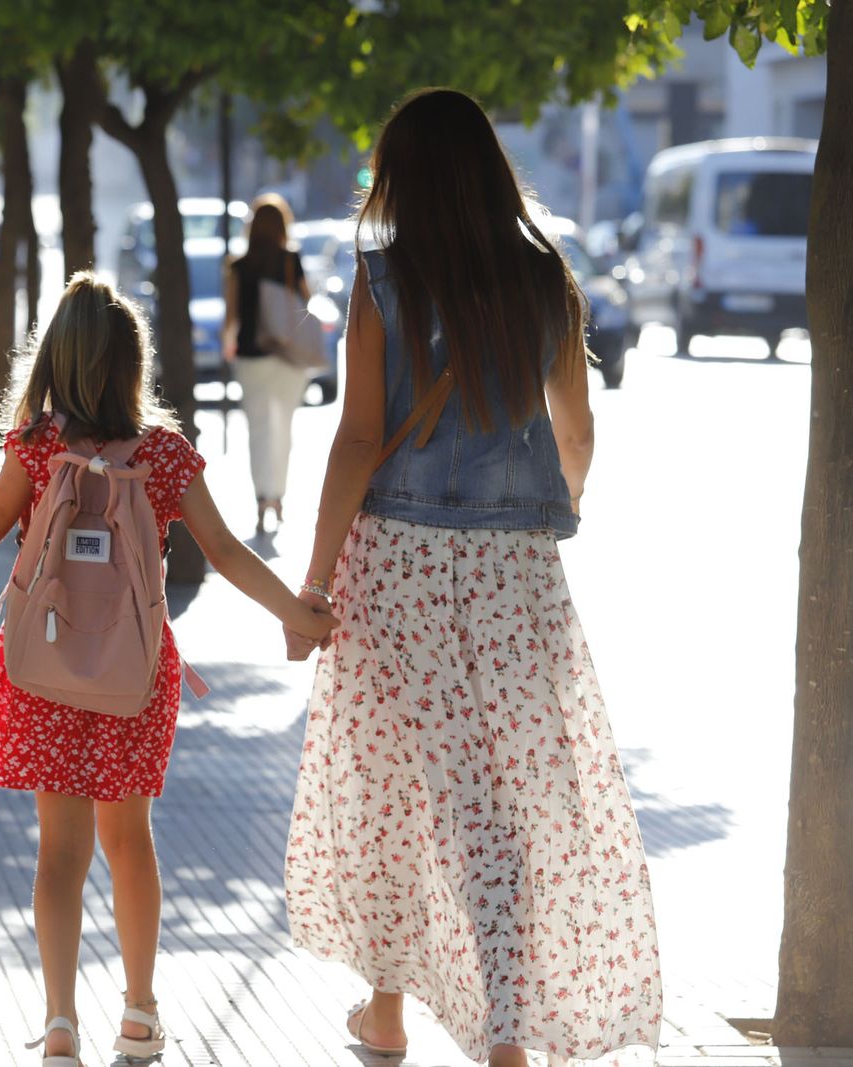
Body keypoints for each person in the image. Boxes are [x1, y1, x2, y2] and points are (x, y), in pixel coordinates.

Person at [282, 88, 661, 1066]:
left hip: (398, 559)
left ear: (406, 175)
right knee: (505, 798)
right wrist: (559, 505)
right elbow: (574, 426)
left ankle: (409, 1016)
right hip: (512, 570)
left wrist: (313, 583)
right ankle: (492, 1027)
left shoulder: (381, 280)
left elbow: (359, 436)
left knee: (399, 789)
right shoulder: (546, 278)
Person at [0, 273, 337, 1067]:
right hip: (135, 674)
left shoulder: (34, 448)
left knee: (57, 853)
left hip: (44, 668)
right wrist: (297, 614)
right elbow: (228, 551)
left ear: (53, 361)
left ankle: (60, 1022)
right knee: (129, 841)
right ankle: (138, 1013)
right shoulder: (164, 456)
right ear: (135, 364)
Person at [221, 192, 312, 535]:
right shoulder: (291, 259)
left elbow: (231, 317)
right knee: (284, 429)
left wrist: (228, 344)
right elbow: (307, 303)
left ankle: (262, 499)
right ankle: (279, 497)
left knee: (258, 431)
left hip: (251, 357)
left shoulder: (239, 266)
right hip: (288, 358)